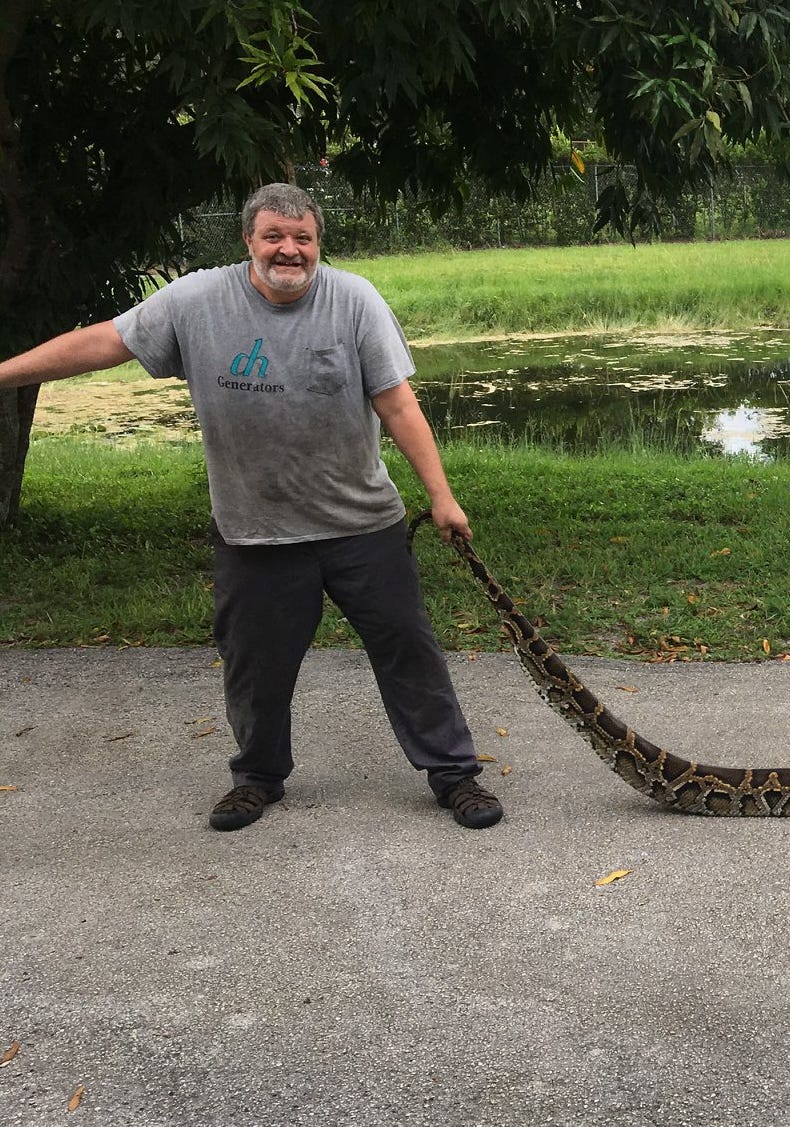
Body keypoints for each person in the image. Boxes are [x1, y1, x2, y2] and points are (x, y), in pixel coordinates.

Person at [0, 183, 502, 832]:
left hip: (362, 527)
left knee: (410, 651)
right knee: (254, 667)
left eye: (303, 238)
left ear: (318, 244)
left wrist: (442, 496)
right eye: (274, 236)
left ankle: (455, 774)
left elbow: (397, 403)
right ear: (248, 241)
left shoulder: (354, 300)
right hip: (254, 532)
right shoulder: (197, 301)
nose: (289, 250)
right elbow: (103, 341)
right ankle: (258, 777)